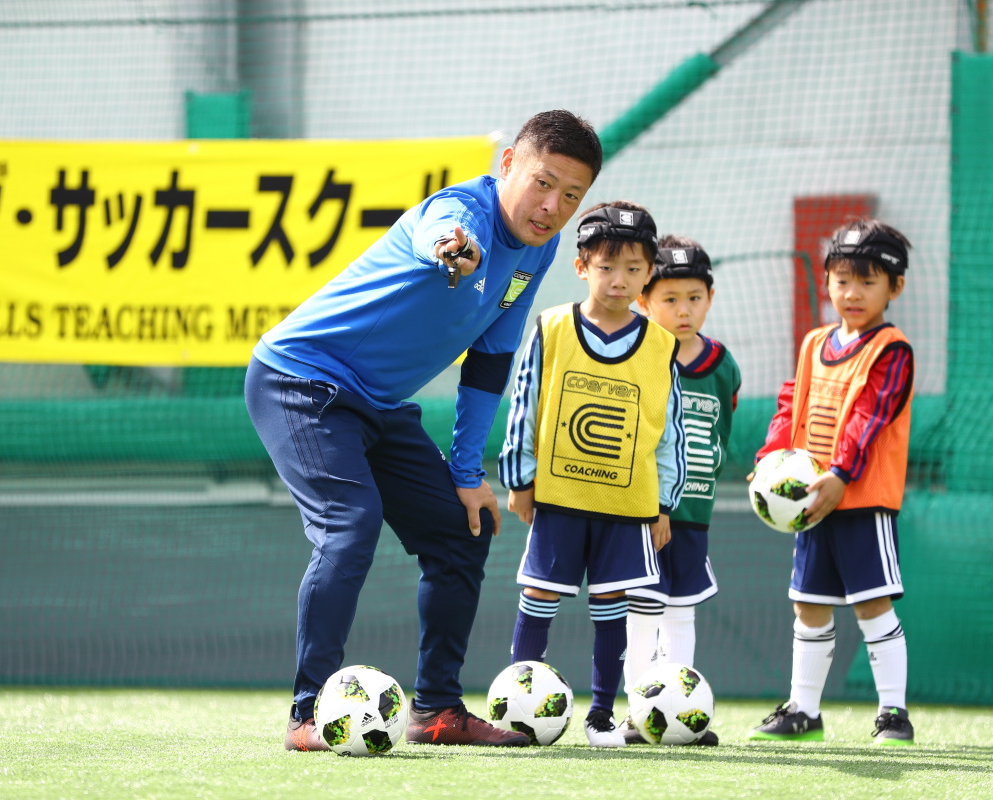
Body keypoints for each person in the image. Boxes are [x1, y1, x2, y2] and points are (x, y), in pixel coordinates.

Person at [244, 110, 603, 750]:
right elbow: (441, 233)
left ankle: (436, 711)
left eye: (571, 196)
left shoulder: (540, 247)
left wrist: (468, 476)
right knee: (349, 524)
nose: (552, 206)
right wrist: (453, 253)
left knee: (463, 530)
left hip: (376, 405)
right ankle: (308, 713)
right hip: (299, 382)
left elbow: (490, 363)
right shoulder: (459, 210)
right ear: (508, 167)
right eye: (542, 183)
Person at [496, 202, 686, 748]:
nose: (619, 279)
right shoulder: (552, 326)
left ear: (650, 272)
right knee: (538, 594)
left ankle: (601, 716)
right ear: (582, 267)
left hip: (629, 508)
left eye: (633, 267)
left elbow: (668, 430)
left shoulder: (660, 345)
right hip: (558, 498)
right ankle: (519, 706)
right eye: (607, 266)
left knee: (612, 608)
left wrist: (664, 503)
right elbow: (524, 403)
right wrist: (520, 478)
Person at [746, 219, 916, 746]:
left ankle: (893, 713)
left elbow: (870, 416)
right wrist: (770, 457)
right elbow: (789, 404)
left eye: (868, 281)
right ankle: (804, 711)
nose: (853, 292)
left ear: (895, 287)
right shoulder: (815, 342)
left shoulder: (891, 349)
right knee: (807, 604)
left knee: (872, 604)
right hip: (810, 506)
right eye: (842, 280)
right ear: (827, 283)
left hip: (860, 502)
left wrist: (841, 474)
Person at [620, 235, 740, 747]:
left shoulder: (723, 364)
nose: (683, 309)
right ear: (644, 301)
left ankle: (683, 713)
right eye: (669, 299)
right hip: (644, 512)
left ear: (709, 298)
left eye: (694, 297)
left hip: (694, 513)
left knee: (682, 609)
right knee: (642, 612)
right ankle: (636, 714)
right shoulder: (640, 356)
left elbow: (723, 434)